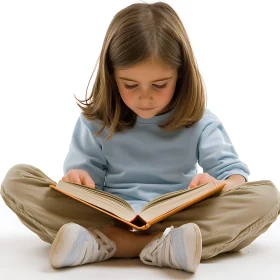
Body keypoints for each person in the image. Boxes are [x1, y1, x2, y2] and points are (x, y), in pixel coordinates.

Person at [1, 1, 280, 274]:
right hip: (110, 215)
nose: (144, 97)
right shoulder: (95, 122)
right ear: (111, 76)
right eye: (130, 85)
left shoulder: (200, 122)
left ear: (181, 76)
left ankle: (107, 243)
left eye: (159, 85)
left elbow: (233, 174)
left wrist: (216, 185)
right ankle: (160, 246)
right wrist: (79, 179)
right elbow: (85, 182)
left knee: (267, 196)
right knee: (17, 179)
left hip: (180, 218)